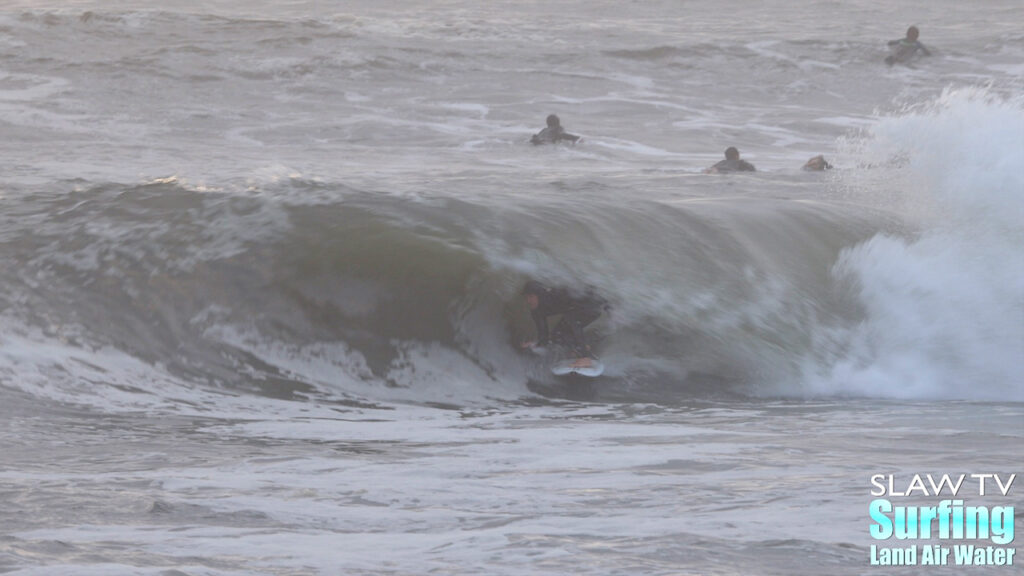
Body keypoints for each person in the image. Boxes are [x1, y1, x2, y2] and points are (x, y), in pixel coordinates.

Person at [520, 280, 606, 360]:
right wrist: (534, 345)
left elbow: (575, 322)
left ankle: (585, 355)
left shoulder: (556, 295)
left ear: (540, 295)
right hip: (576, 310)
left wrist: (584, 353)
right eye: (526, 297)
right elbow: (543, 337)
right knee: (557, 336)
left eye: (531, 296)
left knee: (570, 319)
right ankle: (578, 350)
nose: (528, 300)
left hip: (593, 305)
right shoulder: (536, 311)